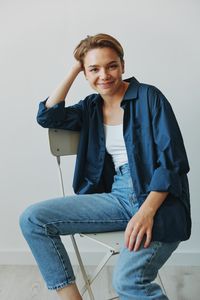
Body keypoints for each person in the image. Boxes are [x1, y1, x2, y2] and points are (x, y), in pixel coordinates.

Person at [20, 33, 191, 300]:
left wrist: (146, 212)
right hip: (118, 198)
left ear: (123, 65)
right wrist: (76, 67)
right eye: (94, 69)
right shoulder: (90, 107)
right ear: (85, 74)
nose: (105, 75)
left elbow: (173, 161)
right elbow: (47, 116)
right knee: (33, 219)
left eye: (111, 65)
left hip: (158, 200)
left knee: (128, 283)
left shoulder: (149, 97)